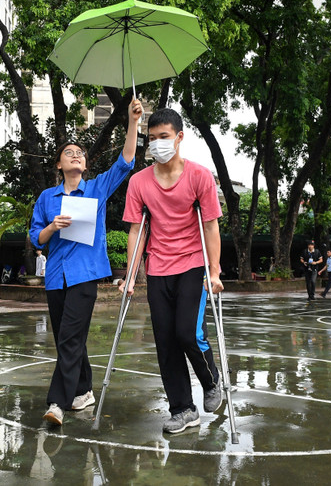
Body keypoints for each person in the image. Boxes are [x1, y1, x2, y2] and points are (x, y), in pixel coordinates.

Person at [29, 98, 141, 426]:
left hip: (85, 275)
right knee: (69, 336)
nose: (76, 155)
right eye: (69, 153)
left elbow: (126, 161)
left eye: (80, 153)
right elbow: (37, 238)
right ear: (59, 166)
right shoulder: (47, 198)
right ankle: (84, 388)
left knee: (69, 338)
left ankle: (57, 403)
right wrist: (53, 226)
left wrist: (133, 122)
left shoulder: (95, 190)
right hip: (56, 278)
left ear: (86, 165)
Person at [120, 107, 224, 435]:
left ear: (179, 138)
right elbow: (136, 231)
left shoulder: (199, 176)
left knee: (187, 333)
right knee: (165, 342)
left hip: (193, 265)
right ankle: (182, 409)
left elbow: (210, 225)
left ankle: (211, 380)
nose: (157, 144)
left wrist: (215, 271)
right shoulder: (139, 182)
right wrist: (131, 275)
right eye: (151, 139)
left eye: (163, 137)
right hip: (158, 268)